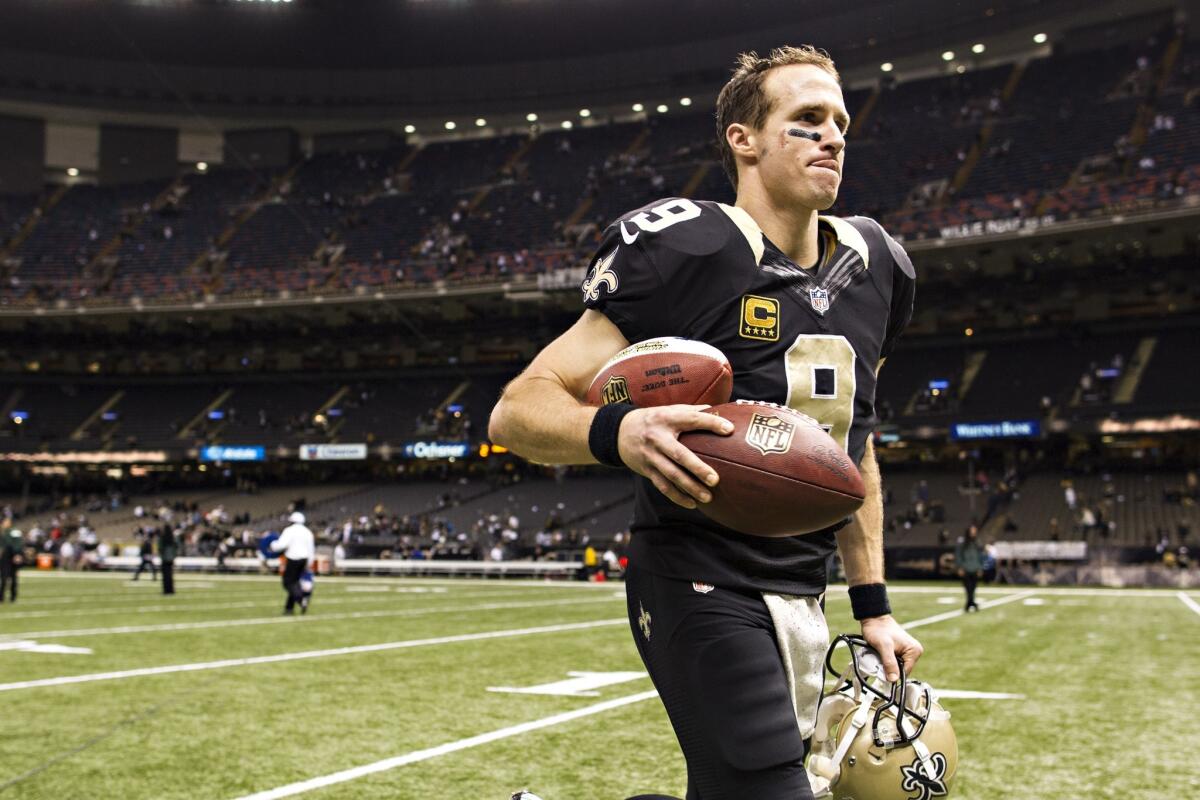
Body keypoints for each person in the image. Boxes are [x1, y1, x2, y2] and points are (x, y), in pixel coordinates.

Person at [492, 44, 921, 800]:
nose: (833, 137)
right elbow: (519, 407)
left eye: (841, 123)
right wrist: (616, 433)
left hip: (803, 588)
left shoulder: (877, 263)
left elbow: (855, 454)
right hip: (697, 575)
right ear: (743, 139)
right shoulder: (687, 247)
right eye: (807, 120)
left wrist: (874, 605)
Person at [271, 511, 314, 615]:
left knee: (288, 583)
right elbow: (311, 549)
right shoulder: (308, 532)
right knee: (295, 583)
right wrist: (309, 563)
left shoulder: (289, 530)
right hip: (304, 559)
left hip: (293, 559)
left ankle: (301, 599)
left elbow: (281, 545)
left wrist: (272, 544)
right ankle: (289, 608)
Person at [955, 525, 984, 612]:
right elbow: (958, 555)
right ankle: (972, 603)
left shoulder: (977, 542)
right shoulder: (962, 542)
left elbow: (980, 556)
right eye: (972, 530)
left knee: (973, 587)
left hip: (975, 568)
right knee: (968, 587)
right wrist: (960, 567)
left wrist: (980, 568)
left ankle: (969, 604)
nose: (973, 532)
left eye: (975, 530)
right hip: (966, 568)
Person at [1, 527, 23, 603]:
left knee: (13, 579)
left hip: (12, 558)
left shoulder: (14, 531)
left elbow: (18, 545)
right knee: (4, 579)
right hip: (4, 560)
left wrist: (17, 554)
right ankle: (1, 597)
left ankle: (13, 597)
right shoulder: (3, 534)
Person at [157, 525, 178, 595]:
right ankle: (171, 590)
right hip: (171, 558)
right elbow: (176, 547)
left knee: (165, 575)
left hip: (164, 558)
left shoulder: (162, 538)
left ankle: (166, 590)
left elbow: (160, 548)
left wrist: (161, 555)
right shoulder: (173, 538)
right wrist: (174, 556)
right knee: (170, 575)